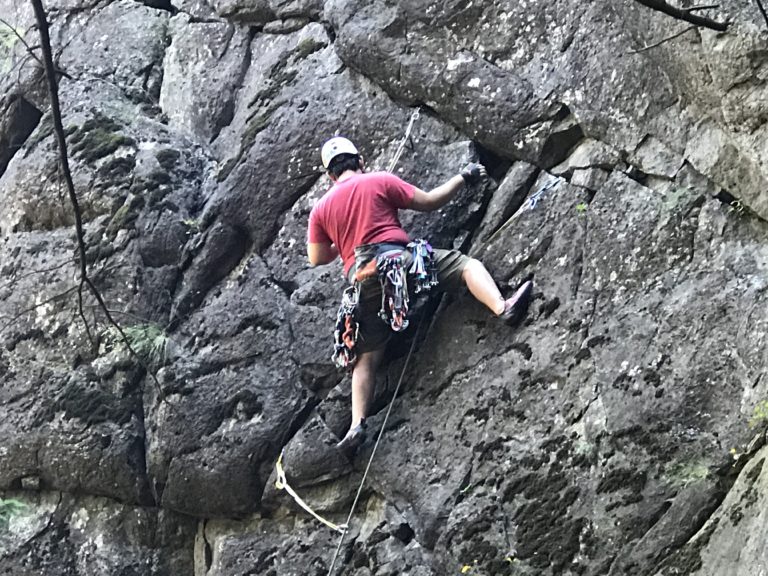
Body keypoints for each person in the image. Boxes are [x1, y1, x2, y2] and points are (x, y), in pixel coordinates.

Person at [307, 136, 533, 456]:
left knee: (367, 357)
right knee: (464, 266)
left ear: (331, 175)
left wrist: (341, 238)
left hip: (364, 283)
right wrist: (462, 177)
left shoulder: (321, 210)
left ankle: (357, 424)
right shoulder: (378, 179)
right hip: (400, 264)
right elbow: (428, 201)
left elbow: (317, 257)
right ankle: (502, 306)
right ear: (359, 161)